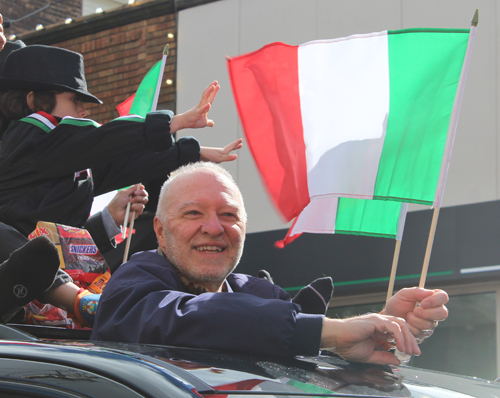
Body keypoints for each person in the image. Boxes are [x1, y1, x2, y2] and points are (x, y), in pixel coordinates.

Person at [92, 162, 449, 365]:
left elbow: (305, 368)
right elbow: (183, 318)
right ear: (160, 229)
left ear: (244, 228)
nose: (214, 228)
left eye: (228, 215)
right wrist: (330, 332)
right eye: (193, 213)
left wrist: (384, 332)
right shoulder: (131, 288)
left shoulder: (264, 294)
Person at [0, 44, 241, 325]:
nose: (81, 110)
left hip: (52, 295)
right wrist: (170, 123)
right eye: (74, 100)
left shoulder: (73, 163)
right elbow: (100, 139)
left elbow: (122, 165)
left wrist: (190, 153)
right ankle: (76, 301)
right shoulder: (29, 136)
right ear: (34, 102)